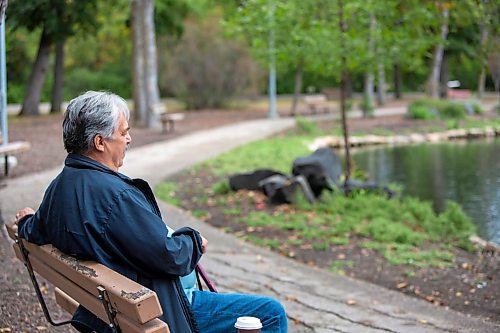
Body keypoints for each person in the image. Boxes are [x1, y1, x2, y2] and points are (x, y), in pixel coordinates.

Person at [15, 91, 287, 333]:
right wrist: (194, 241)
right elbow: (171, 257)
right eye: (123, 133)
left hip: (110, 310)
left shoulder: (59, 186)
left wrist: (26, 218)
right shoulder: (115, 196)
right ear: (100, 142)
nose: (129, 139)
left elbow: (34, 229)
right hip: (160, 312)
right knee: (271, 313)